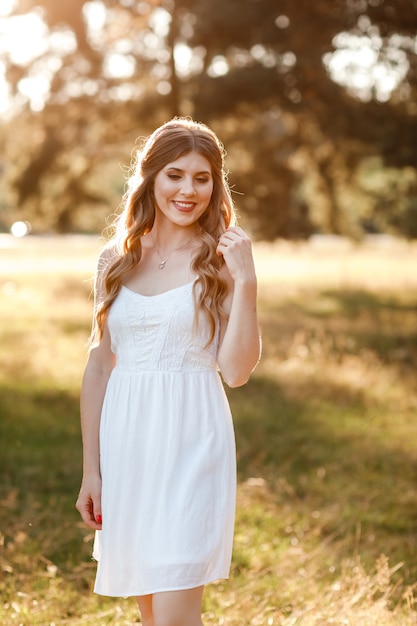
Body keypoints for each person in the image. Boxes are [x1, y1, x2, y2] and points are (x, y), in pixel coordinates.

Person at [75, 117, 261, 626]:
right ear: (151, 177)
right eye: (175, 175)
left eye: (203, 178)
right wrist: (93, 471)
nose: (188, 190)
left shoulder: (219, 259)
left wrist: (245, 285)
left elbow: (237, 371)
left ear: (215, 185)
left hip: (193, 442)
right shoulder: (115, 260)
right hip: (128, 446)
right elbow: (99, 367)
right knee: (153, 614)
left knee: (177, 615)